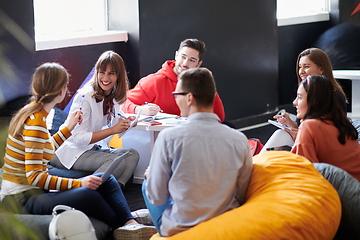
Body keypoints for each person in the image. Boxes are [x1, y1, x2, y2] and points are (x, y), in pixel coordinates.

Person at [0, 62, 156, 240]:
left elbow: (45, 152)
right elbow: (36, 177)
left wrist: (68, 128)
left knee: (107, 179)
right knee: (89, 194)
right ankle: (124, 225)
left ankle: (129, 222)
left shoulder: (34, 113)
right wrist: (79, 183)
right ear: (61, 90)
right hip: (22, 200)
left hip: (33, 192)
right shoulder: (35, 123)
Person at [141, 68, 253, 236]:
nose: (175, 99)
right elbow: (242, 194)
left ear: (189, 98)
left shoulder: (168, 138)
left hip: (181, 228)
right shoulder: (239, 139)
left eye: (176, 94)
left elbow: (157, 197)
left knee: (147, 184)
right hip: (225, 224)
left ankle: (147, 217)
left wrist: (152, 178)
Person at [50, 50, 140, 188]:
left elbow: (117, 117)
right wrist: (112, 130)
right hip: (71, 150)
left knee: (132, 154)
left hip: (92, 148)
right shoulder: (85, 97)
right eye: (102, 72)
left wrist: (128, 121)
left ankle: (114, 190)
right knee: (117, 161)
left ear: (118, 76)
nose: (105, 77)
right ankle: (89, 193)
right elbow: (79, 138)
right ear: (97, 72)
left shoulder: (112, 93)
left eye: (111, 73)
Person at [260, 48, 347, 153]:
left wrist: (303, 137)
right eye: (300, 67)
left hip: (323, 147)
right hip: (307, 141)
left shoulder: (335, 97)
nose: (301, 72)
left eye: (306, 67)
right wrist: (289, 123)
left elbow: (334, 135)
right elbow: (300, 126)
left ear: (321, 69)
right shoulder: (305, 93)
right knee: (281, 134)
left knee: (280, 136)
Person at [121, 38, 226, 122]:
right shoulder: (155, 81)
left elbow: (219, 117)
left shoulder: (200, 84)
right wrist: (138, 110)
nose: (185, 63)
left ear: (198, 64)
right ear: (176, 55)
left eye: (192, 60)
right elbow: (121, 103)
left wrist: (209, 86)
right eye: (183, 57)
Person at [291, 75, 360, 181]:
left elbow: (306, 172)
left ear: (314, 100)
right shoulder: (344, 124)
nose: (294, 102)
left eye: (300, 97)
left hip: (339, 191)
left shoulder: (309, 126)